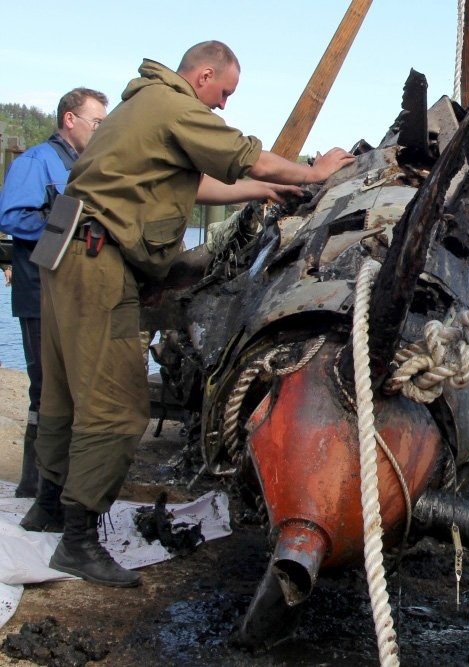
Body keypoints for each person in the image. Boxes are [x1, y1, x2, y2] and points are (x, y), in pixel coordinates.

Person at [21, 40, 355, 588]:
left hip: (67, 248)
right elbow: (242, 152)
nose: (222, 104)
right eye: (223, 92)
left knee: (63, 390)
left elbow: (196, 183)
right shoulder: (176, 105)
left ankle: (49, 508)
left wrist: (269, 188)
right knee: (117, 406)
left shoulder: (139, 105)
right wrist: (314, 173)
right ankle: (77, 542)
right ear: (203, 76)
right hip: (98, 258)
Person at [0, 87, 109, 499]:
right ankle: (36, 484)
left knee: (73, 389)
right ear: (69, 119)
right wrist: (68, 227)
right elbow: (11, 215)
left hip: (77, 293)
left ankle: (60, 482)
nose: (100, 130)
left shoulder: (85, 165)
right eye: (96, 122)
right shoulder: (36, 162)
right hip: (39, 292)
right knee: (45, 387)